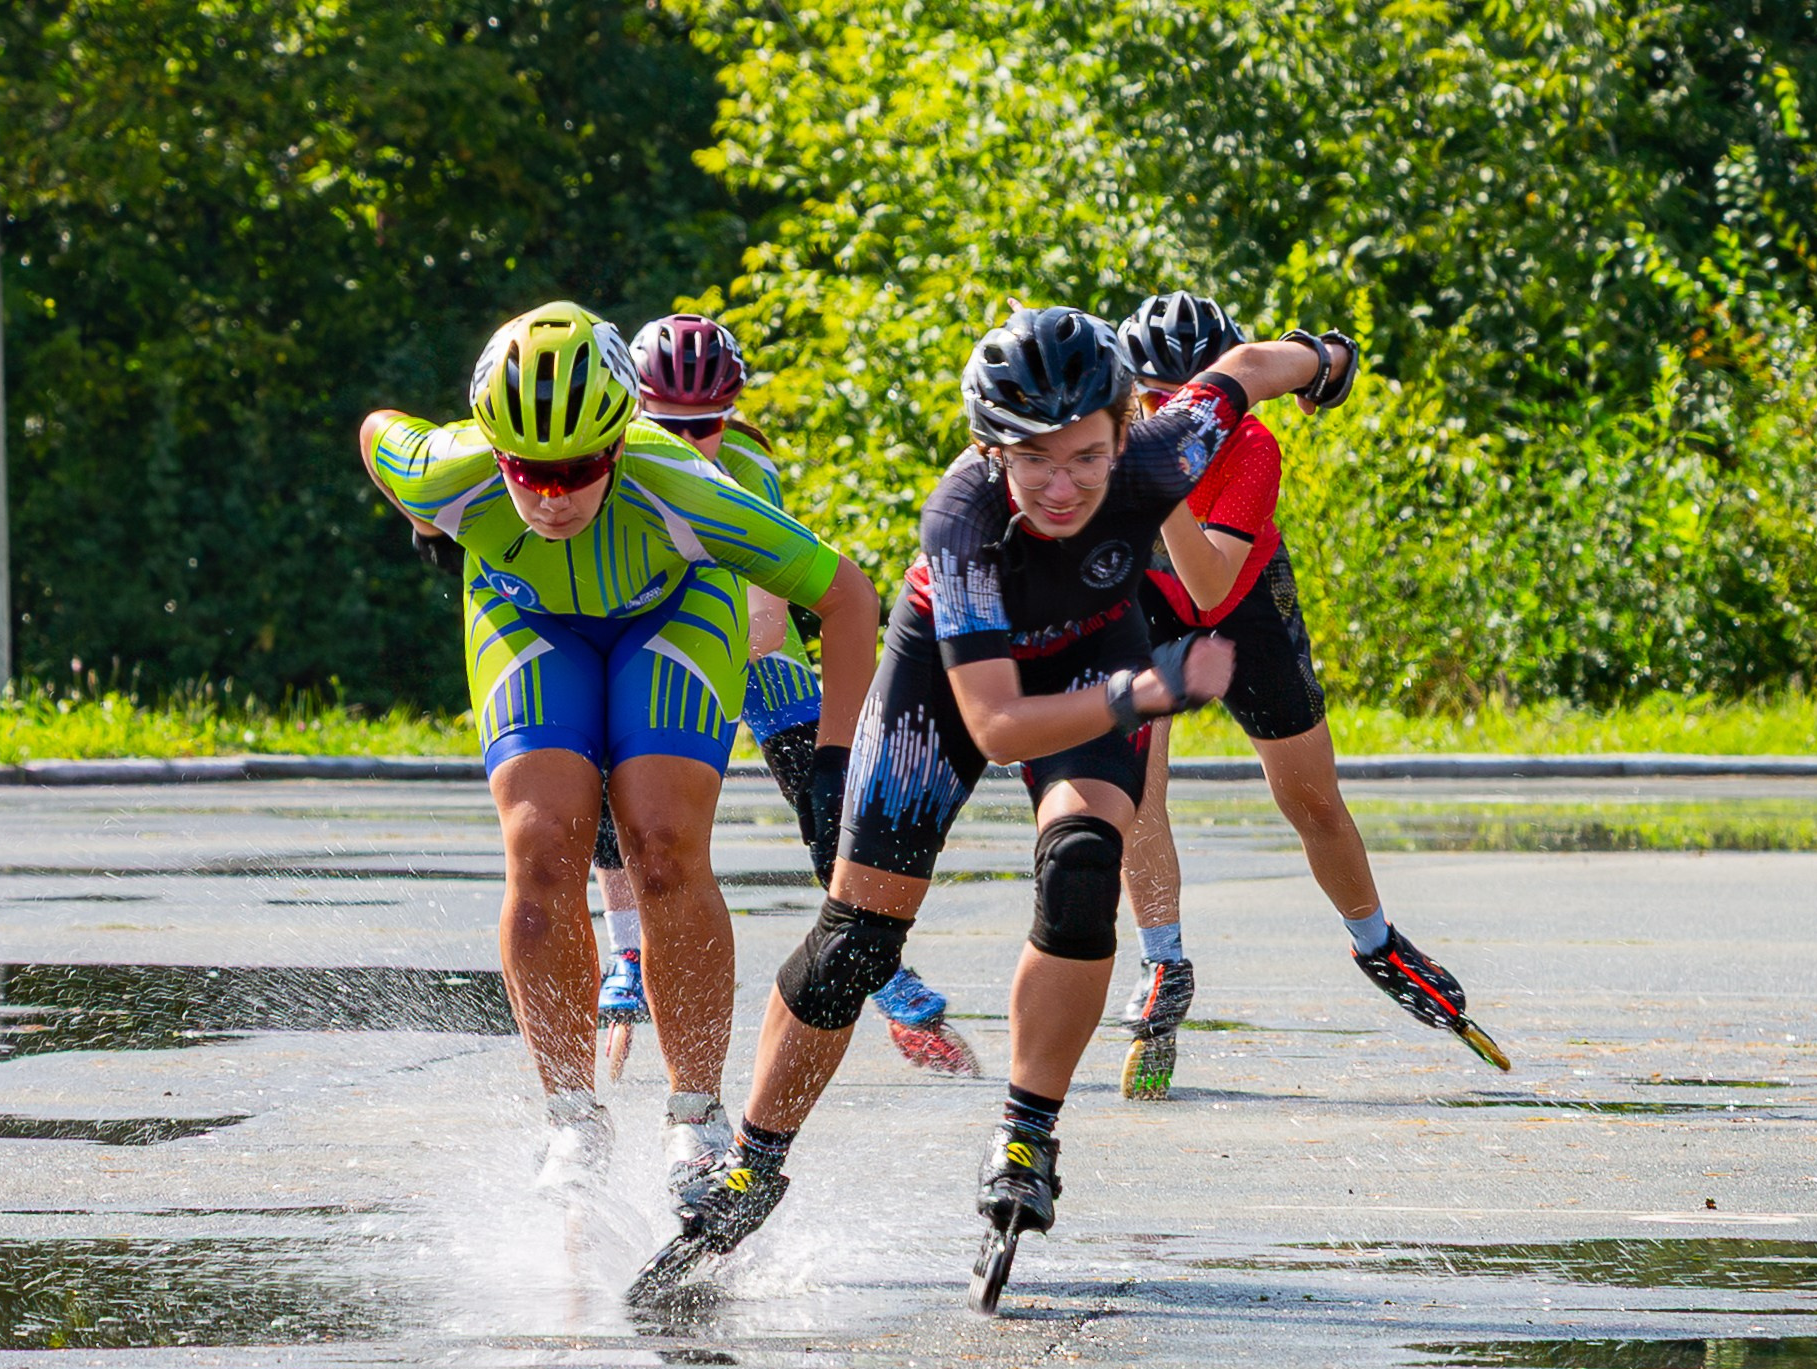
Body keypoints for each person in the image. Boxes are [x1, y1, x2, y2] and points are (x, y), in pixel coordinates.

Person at [631, 304, 1358, 1306]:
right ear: (988, 449)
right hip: (956, 681)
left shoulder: (1161, 450)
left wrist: (1325, 359)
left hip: (1093, 654)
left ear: (1124, 432)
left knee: (1082, 870)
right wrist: (1148, 691)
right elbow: (1000, 722)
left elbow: (1242, 370)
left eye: (1088, 459)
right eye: (1034, 463)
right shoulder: (962, 521)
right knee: (858, 942)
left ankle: (1026, 1132)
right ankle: (756, 1158)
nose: (1063, 486)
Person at [360, 301, 881, 1203]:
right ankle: (570, 1116)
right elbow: (376, 433)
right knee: (541, 846)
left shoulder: (681, 483)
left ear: (618, 441)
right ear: (492, 447)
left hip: (671, 618)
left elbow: (848, 600)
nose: (551, 498)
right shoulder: (444, 471)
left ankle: (694, 1117)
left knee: (664, 849)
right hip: (527, 623)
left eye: (577, 471)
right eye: (528, 473)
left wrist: (836, 763)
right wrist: (430, 523)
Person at [1112, 291, 1507, 1097]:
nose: (1172, 410)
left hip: (1240, 602)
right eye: (1153, 394)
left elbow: (1212, 587)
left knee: (1311, 801)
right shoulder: (1107, 441)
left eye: (1188, 395)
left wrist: (1163, 486)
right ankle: (1162, 964)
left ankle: (1376, 943)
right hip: (1146, 602)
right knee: (1131, 793)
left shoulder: (1252, 447)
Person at [592, 314, 980, 1078]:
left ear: (731, 411)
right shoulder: (608, 459)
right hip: (651, 630)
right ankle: (626, 952)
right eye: (669, 424)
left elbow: (766, 622)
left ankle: (882, 970)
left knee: (827, 805)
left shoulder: (743, 463)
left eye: (706, 423)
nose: (692, 439)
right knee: (612, 783)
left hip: (740, 635)